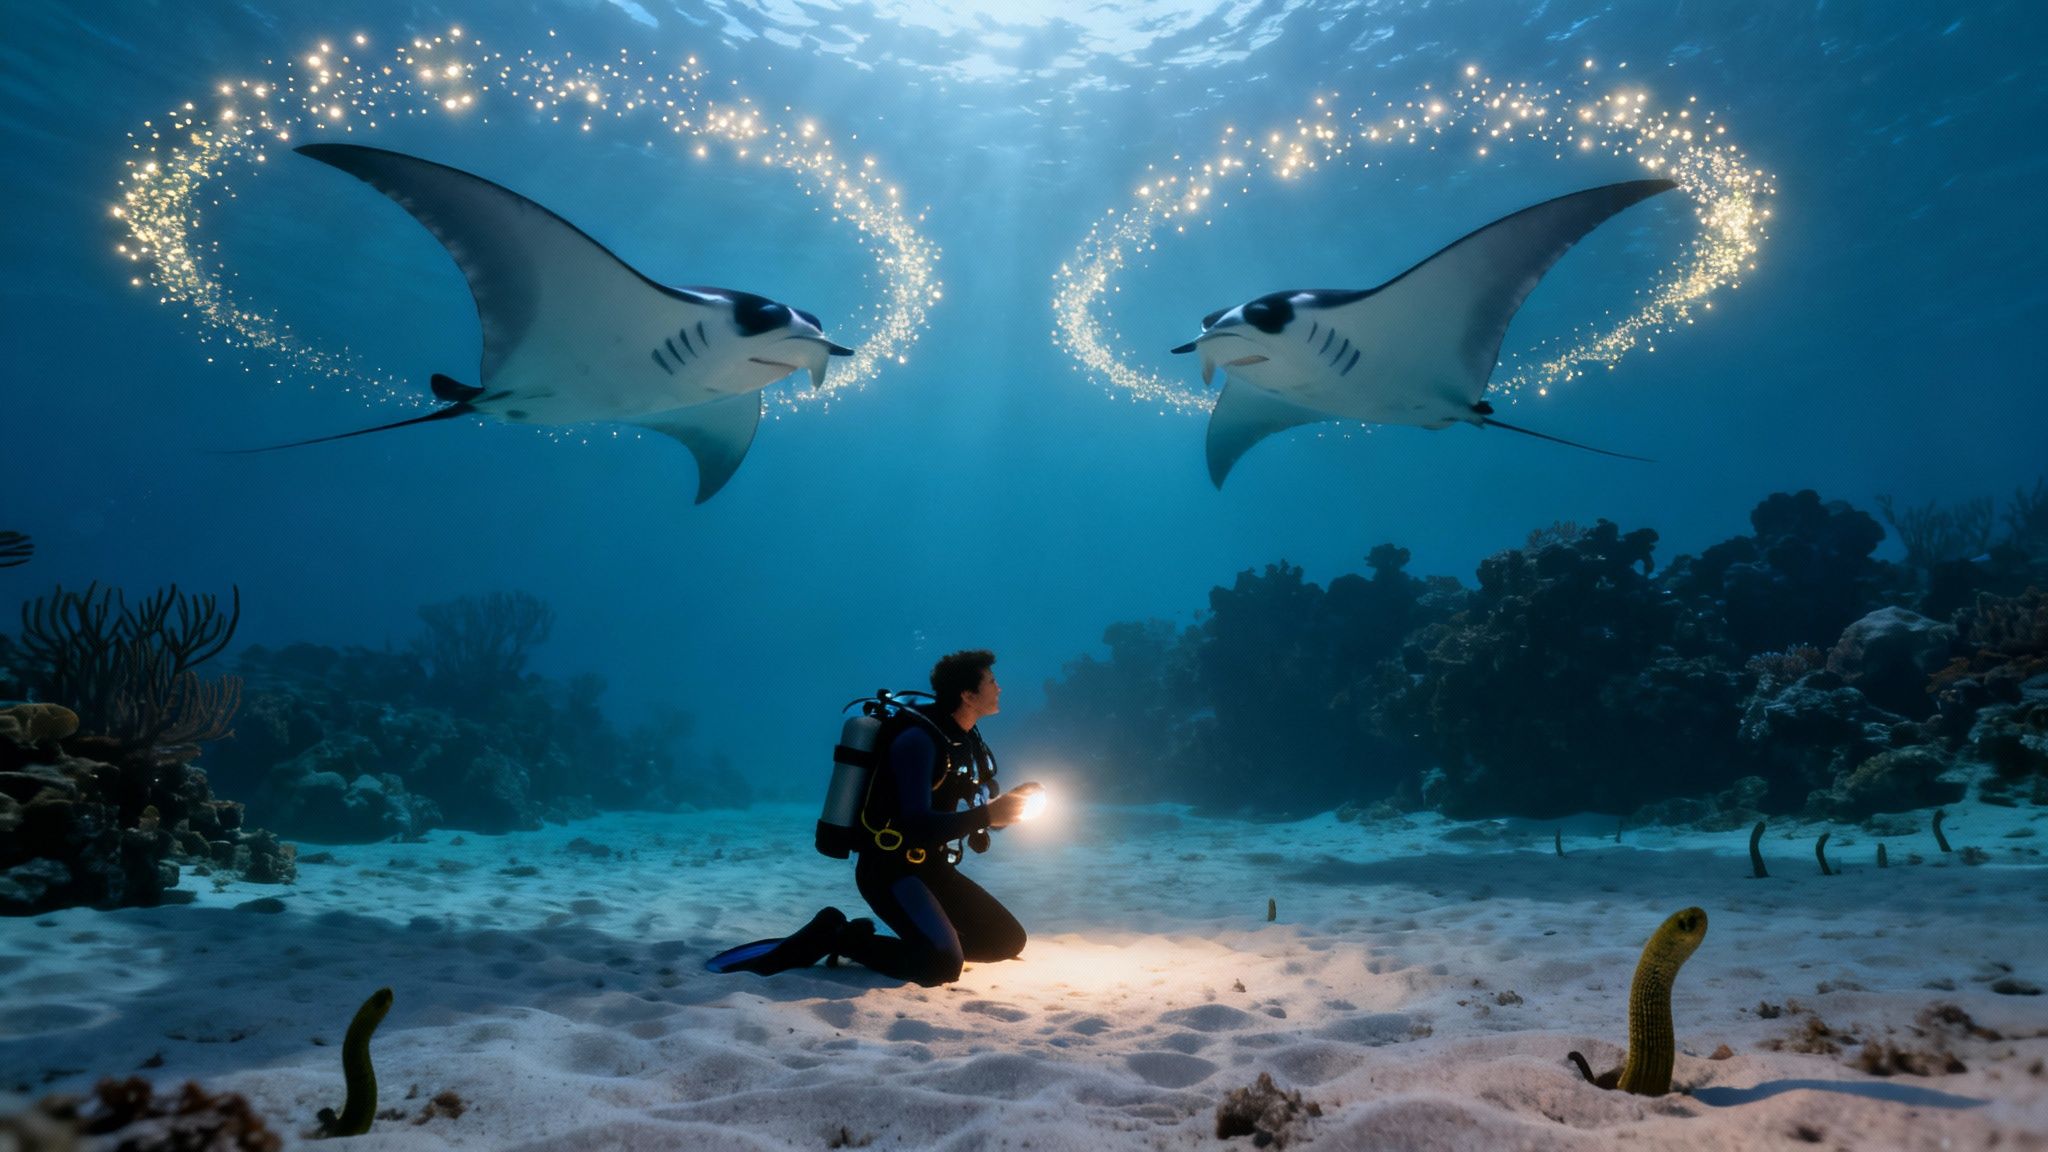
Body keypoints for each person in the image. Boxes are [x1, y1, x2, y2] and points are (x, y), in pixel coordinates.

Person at [709, 649, 1041, 985]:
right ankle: (838, 935)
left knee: (1006, 941)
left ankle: (917, 940)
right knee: (942, 966)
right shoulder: (918, 741)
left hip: (933, 867)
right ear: (968, 695)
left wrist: (1004, 810)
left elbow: (966, 808)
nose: (999, 689)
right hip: (891, 870)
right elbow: (914, 825)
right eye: (992, 682)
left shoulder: (966, 738)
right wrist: (987, 814)